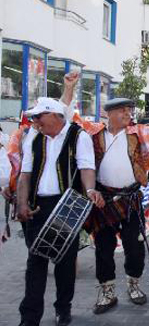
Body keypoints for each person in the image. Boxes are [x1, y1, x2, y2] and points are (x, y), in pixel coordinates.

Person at [59, 72, 149, 314]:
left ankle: (134, 284)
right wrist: (69, 89)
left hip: (130, 198)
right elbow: (68, 116)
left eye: (130, 111)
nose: (128, 114)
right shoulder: (93, 131)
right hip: (103, 200)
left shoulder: (138, 132)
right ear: (108, 113)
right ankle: (107, 291)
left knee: (134, 246)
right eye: (123, 110)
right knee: (103, 247)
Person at [16, 97, 100, 326]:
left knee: (65, 262)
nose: (35, 121)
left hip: (66, 206)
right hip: (37, 206)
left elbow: (86, 168)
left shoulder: (78, 136)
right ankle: (30, 317)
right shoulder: (32, 136)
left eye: (39, 116)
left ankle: (63, 308)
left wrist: (91, 190)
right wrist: (21, 203)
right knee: (36, 262)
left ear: (55, 115)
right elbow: (25, 175)